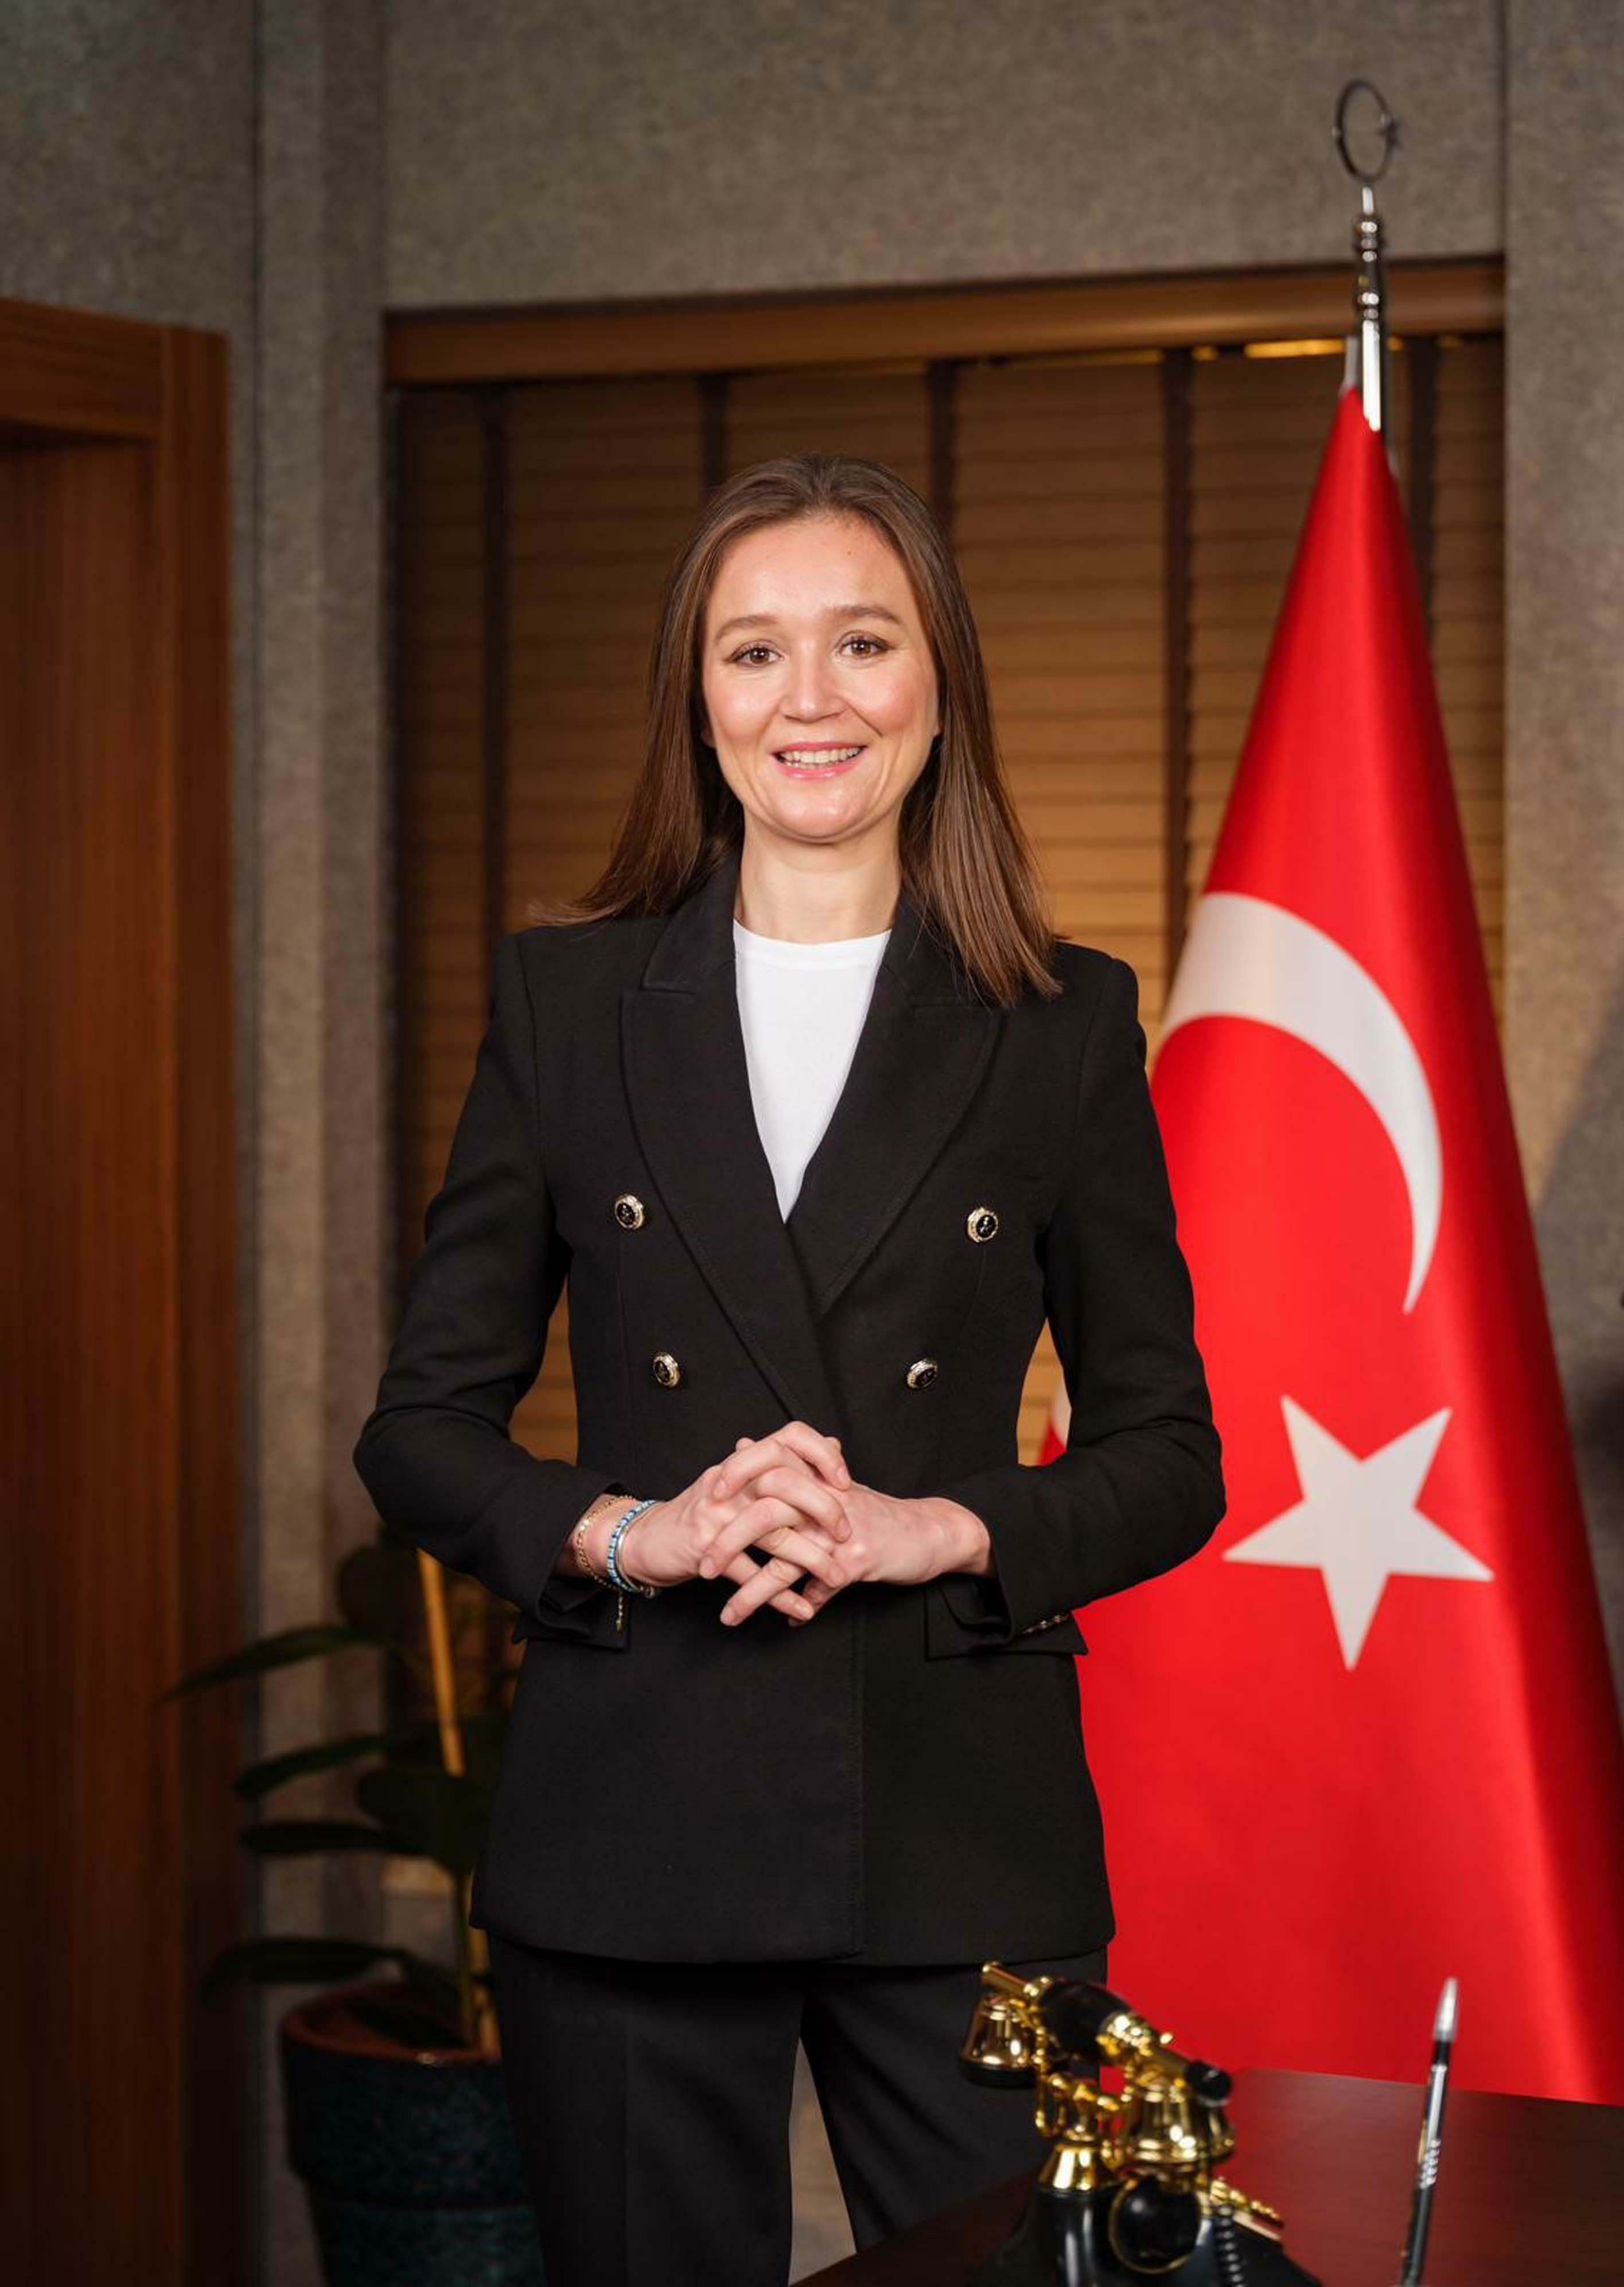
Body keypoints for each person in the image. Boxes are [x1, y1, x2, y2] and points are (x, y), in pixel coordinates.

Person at [353, 451, 1224, 2283]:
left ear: (940, 685)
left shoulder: (1062, 1022)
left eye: (862, 642)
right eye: (754, 650)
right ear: (700, 701)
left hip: (963, 1822)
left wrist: (939, 1527)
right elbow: (422, 1428)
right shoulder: (566, 1006)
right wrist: (635, 1534)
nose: (809, 698)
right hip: (635, 1815)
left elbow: (1170, 1450)